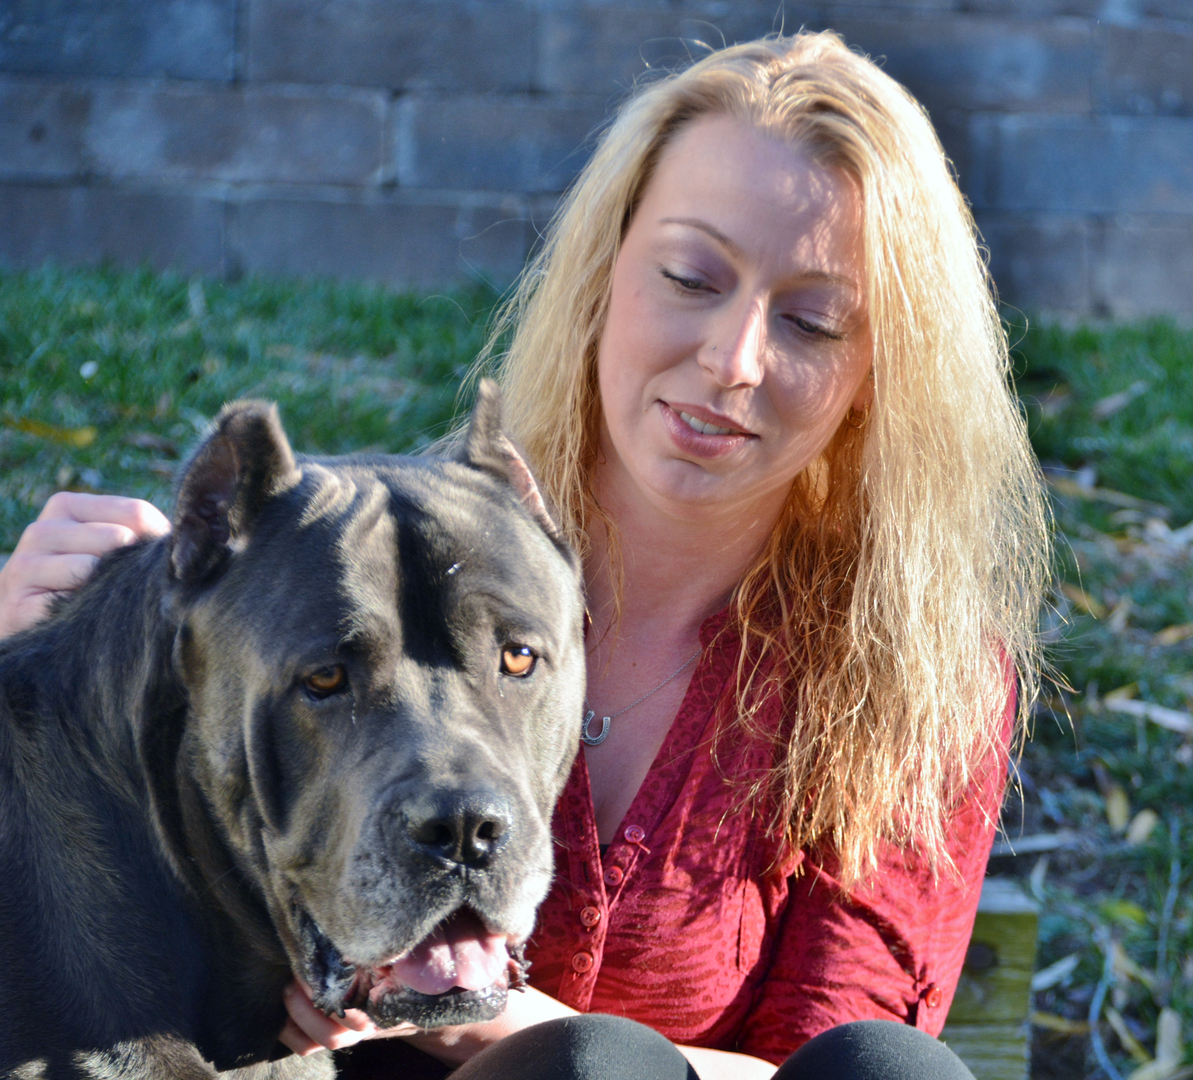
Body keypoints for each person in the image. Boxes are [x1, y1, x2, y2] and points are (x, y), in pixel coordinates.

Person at [0, 31, 1049, 1080]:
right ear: (602, 271)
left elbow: (827, 1063)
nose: (732, 362)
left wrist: (508, 1024)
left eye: (812, 322)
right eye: (689, 276)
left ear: (879, 370)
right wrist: (46, 656)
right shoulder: (370, 560)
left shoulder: (918, 682)